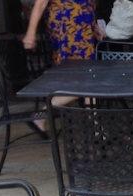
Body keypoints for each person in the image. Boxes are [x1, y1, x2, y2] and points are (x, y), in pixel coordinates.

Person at [22, 0, 102, 131]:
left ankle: (97, 130)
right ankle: (42, 114)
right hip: (68, 27)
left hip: (82, 28)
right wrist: (30, 33)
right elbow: (40, 3)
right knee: (86, 80)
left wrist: (93, 26)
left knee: (88, 77)